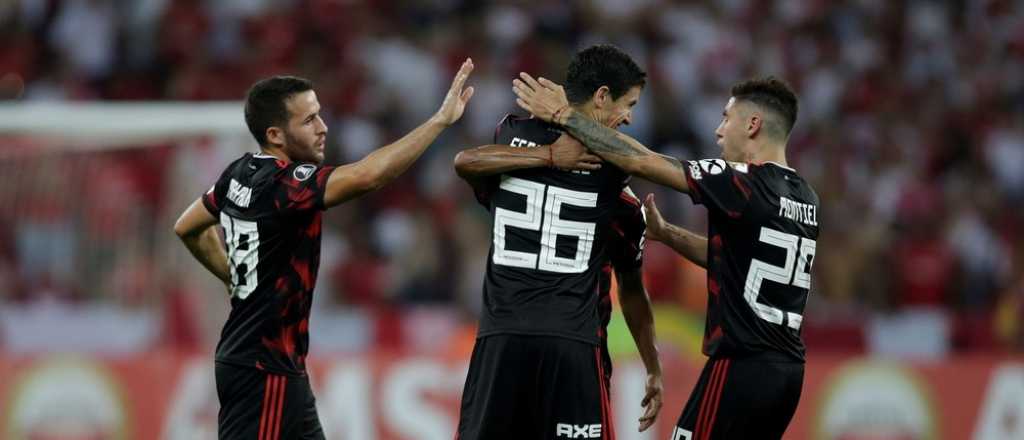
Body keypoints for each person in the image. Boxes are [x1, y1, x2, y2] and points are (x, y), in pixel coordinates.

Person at [173, 59, 475, 440]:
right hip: (263, 370)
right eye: (309, 120)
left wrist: (235, 278)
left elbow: (187, 226)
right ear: (276, 135)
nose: (323, 128)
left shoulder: (239, 172)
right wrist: (438, 122)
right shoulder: (286, 185)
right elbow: (368, 175)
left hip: (275, 365)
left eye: (320, 116)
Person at [514, 74, 818, 439]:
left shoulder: (740, 182)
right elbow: (737, 260)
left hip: (741, 365)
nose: (719, 131)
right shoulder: (806, 198)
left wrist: (566, 116)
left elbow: (642, 161)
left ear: (753, 125)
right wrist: (668, 233)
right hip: (788, 373)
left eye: (726, 118)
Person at [452, 45, 662, 439]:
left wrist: (547, 150)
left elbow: (466, 161)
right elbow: (631, 287)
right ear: (601, 96)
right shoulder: (615, 170)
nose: (630, 117)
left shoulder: (511, 135)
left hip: (501, 340)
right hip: (573, 346)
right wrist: (653, 367)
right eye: (628, 103)